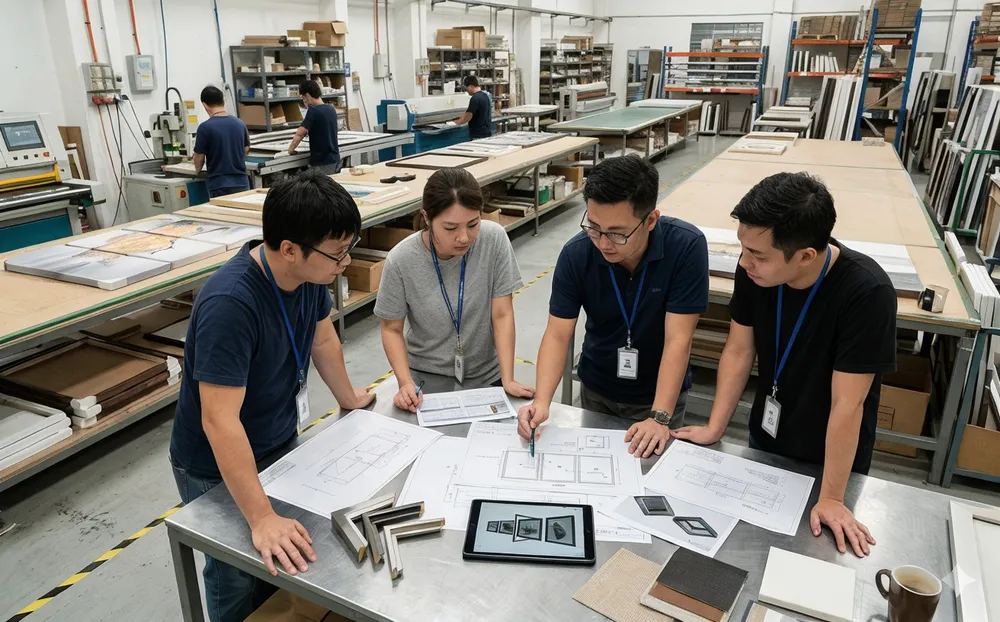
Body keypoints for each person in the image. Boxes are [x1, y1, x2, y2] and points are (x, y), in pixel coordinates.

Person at [168, 170, 376, 622]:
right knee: (236, 573)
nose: (345, 263)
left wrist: (348, 398)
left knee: (279, 565)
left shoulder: (309, 279)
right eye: (338, 253)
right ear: (289, 249)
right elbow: (219, 421)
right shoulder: (231, 303)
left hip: (276, 440)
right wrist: (260, 517)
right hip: (213, 464)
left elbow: (322, 341)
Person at [672, 172, 897, 559]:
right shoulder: (755, 271)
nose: (745, 263)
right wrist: (715, 427)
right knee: (749, 552)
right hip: (767, 440)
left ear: (806, 255)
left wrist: (831, 496)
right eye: (743, 248)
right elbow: (740, 350)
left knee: (809, 559)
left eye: (758, 255)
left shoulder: (866, 293)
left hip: (832, 461)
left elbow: (848, 404)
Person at [517, 155, 709, 458]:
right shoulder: (576, 254)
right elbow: (557, 334)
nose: (603, 243)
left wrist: (659, 417)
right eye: (593, 227)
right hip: (597, 390)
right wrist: (542, 401)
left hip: (659, 396)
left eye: (617, 233)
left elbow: (678, 340)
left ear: (650, 220)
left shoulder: (685, 247)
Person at [375, 168, 534, 411]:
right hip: (424, 380)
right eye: (450, 228)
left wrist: (508, 378)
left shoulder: (494, 240)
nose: (464, 237)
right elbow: (391, 328)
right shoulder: (402, 259)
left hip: (486, 375)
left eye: (473, 224)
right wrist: (405, 382)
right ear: (427, 218)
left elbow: (502, 314)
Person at [193, 85, 250, 198]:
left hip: (219, 184)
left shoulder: (205, 127)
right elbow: (246, 149)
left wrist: (196, 171)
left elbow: (198, 159)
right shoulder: (240, 123)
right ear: (222, 102)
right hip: (242, 182)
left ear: (204, 105)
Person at [288, 80, 341, 174]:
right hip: (334, 158)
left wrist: (291, 150)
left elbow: (300, 133)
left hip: (322, 161)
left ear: (307, 95)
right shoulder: (331, 109)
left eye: (303, 97)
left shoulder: (313, 111)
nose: (304, 101)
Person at [453, 75, 492, 139]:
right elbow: (477, 113)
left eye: (466, 87)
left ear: (471, 86)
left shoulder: (475, 98)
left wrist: (455, 123)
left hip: (477, 135)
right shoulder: (485, 95)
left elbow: (468, 116)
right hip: (486, 132)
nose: (466, 90)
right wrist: (462, 117)